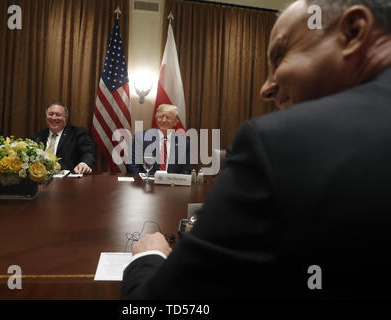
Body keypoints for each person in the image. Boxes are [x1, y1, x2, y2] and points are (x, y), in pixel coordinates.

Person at [122, 0, 391, 299]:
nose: (266, 88)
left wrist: (148, 257)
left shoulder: (280, 143)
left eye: (280, 56)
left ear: (353, 32)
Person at [126, 104, 190, 175]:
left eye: (168, 117)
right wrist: (144, 181)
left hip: (172, 184)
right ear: (156, 118)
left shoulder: (184, 143)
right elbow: (132, 166)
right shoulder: (141, 137)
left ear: (176, 121)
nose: (164, 120)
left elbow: (185, 171)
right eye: (161, 116)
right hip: (145, 183)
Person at [32, 102, 94, 174]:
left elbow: (87, 153)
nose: (54, 118)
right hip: (41, 178)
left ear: (65, 118)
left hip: (67, 179)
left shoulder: (77, 133)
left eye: (58, 115)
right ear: (46, 117)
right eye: (51, 114)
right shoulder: (38, 136)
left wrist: (84, 163)